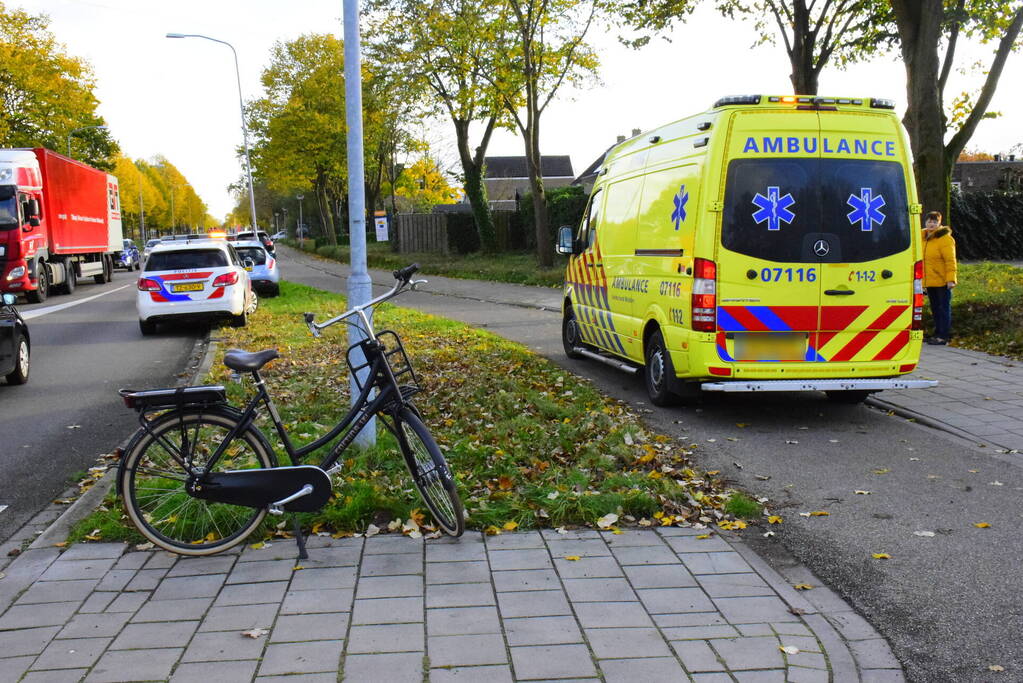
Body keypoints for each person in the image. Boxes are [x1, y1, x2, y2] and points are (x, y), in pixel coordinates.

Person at [921, 210, 957, 345]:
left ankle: (943, 335)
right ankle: (937, 333)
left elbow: (950, 260)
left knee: (943, 307)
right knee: (935, 307)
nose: (931, 224)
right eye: (929, 221)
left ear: (939, 223)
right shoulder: (922, 236)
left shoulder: (945, 239)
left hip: (942, 280)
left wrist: (951, 279)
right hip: (929, 280)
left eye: (934, 221)